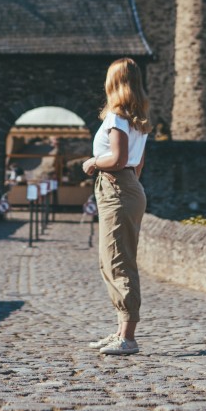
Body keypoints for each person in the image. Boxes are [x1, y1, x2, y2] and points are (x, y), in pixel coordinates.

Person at [82, 57, 151, 356]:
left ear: (114, 83)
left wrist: (93, 163)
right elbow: (138, 164)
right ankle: (122, 331)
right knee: (113, 259)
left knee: (118, 261)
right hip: (127, 187)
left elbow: (119, 159)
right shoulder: (137, 120)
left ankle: (129, 337)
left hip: (117, 185)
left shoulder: (116, 118)